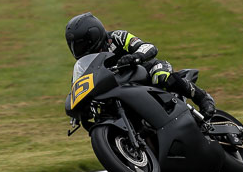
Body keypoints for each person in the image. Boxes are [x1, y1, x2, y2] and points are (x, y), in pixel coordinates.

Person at [65, 12, 216, 118]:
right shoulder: (84, 65)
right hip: (120, 89)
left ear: (94, 36)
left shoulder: (117, 37)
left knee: (161, 77)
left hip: (147, 70)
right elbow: (78, 87)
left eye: (80, 45)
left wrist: (135, 56)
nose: (77, 50)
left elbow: (149, 47)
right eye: (73, 46)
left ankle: (202, 97)